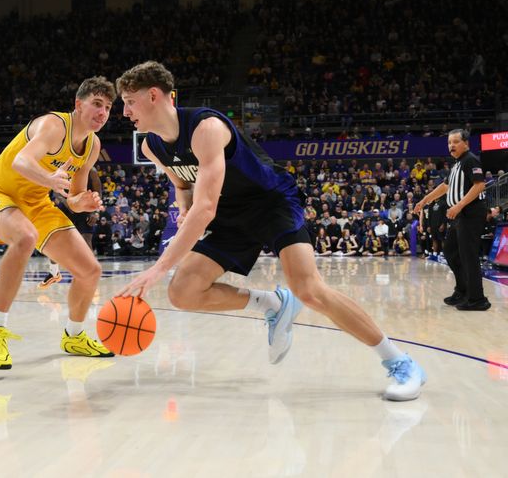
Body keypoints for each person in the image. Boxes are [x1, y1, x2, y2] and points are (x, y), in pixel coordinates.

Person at [116, 61, 425, 401]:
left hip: (270, 202)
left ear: (154, 96)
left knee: (309, 289)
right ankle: (272, 304)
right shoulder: (150, 145)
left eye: (129, 100)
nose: (126, 110)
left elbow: (206, 209)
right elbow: (182, 183)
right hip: (231, 214)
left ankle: (400, 363)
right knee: (183, 291)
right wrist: (184, 204)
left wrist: (159, 267)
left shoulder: (206, 127)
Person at [0, 76, 115, 370]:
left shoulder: (91, 145)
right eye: (97, 104)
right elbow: (21, 162)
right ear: (79, 105)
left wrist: (82, 202)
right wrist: (49, 180)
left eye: (108, 108)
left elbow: (72, 197)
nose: (102, 113)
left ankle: (74, 335)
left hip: (37, 202)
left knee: (90, 270)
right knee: (25, 238)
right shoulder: (53, 126)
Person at [414, 129, 490, 310]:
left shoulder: (470, 159)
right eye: (449, 142)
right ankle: (462, 290)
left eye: (456, 142)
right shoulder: (457, 164)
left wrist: (459, 206)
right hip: (459, 215)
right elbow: (445, 186)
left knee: (467, 255)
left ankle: (477, 299)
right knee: (450, 252)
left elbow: (480, 185)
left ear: (466, 143)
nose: (452, 145)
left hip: (470, 213)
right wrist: (425, 200)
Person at [38, 167, 101, 289]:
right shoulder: (64, 167)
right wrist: (68, 203)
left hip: (84, 206)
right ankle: (53, 272)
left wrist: (96, 211)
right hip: (66, 207)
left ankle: (90, 274)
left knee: (86, 240)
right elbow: (56, 191)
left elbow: (98, 191)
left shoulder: (91, 170)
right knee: (52, 238)